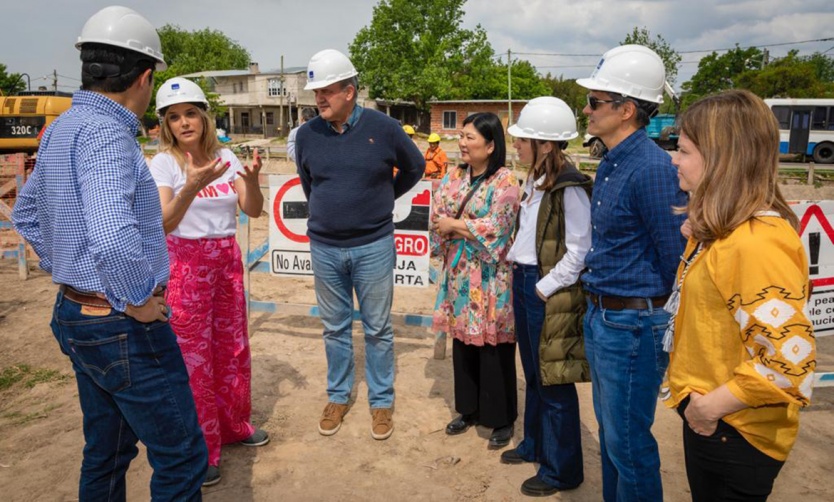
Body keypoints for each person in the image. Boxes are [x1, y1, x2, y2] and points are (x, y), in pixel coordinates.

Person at [11, 6, 207, 500]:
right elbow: (113, 233)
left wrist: (68, 272)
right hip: (121, 324)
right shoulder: (107, 134)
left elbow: (27, 213)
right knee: (181, 457)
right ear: (144, 77)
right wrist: (136, 298)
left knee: (107, 452)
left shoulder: (63, 127)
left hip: (76, 313)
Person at [664, 89, 816, 501]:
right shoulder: (727, 233)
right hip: (720, 420)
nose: (674, 159)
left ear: (721, 159)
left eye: (684, 150)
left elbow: (790, 361)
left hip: (734, 427)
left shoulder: (755, 244)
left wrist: (707, 408)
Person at [576, 44, 688, 501]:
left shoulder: (652, 169)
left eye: (595, 102)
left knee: (629, 443)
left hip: (633, 325)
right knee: (613, 438)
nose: (586, 109)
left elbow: (675, 260)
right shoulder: (613, 161)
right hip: (605, 318)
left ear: (626, 111)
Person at [295, 49, 425, 440]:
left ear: (350, 91)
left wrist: (383, 197)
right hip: (325, 247)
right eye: (316, 92)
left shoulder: (384, 128)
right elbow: (309, 184)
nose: (319, 99)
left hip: (373, 245)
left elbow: (415, 167)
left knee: (378, 329)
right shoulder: (306, 135)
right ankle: (338, 395)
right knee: (334, 328)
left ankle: (381, 402)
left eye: (327, 91)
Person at [150, 77, 268, 487]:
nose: (184, 123)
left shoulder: (225, 156)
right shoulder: (164, 162)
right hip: (186, 264)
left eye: (190, 114)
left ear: (204, 117)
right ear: (166, 123)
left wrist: (250, 181)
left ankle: (235, 426)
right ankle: (204, 448)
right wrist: (191, 185)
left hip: (226, 261)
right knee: (194, 360)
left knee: (233, 348)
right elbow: (164, 220)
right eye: (174, 116)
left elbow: (252, 210)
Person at [503, 97, 592, 496]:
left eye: (524, 139)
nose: (517, 145)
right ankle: (535, 445)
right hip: (524, 283)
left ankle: (563, 471)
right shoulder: (533, 180)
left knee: (554, 382)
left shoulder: (568, 186)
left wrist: (542, 287)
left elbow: (580, 248)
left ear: (546, 144)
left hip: (544, 289)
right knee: (536, 375)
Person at [431, 112, 520, 449]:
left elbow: (499, 227)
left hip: (491, 279)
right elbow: (438, 218)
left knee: (494, 345)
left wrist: (456, 226)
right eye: (462, 136)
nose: (462, 142)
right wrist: (455, 226)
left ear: (491, 144)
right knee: (464, 343)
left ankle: (501, 418)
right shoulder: (453, 176)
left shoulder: (506, 181)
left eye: (470, 137)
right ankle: (468, 409)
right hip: (459, 277)